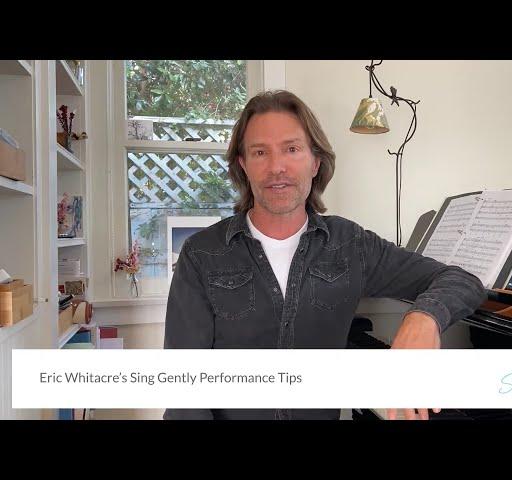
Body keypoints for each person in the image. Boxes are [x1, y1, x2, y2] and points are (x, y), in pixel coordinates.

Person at [163, 90, 486, 420]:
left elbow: (462, 280)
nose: (277, 167)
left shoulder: (351, 245)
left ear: (315, 162)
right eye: (260, 152)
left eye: (291, 149)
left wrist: (424, 318)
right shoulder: (201, 254)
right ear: (243, 165)